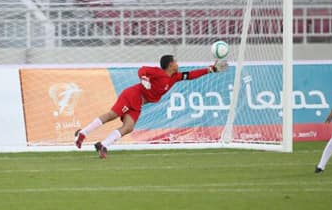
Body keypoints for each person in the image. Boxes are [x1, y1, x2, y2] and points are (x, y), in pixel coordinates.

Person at [75, 55, 228, 158]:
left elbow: (191, 74)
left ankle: (103, 145)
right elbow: (142, 69)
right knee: (112, 115)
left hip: (139, 103)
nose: (178, 64)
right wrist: (144, 78)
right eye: (175, 62)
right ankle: (82, 133)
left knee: (129, 127)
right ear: (170, 65)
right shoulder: (157, 72)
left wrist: (210, 69)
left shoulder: (175, 77)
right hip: (132, 95)